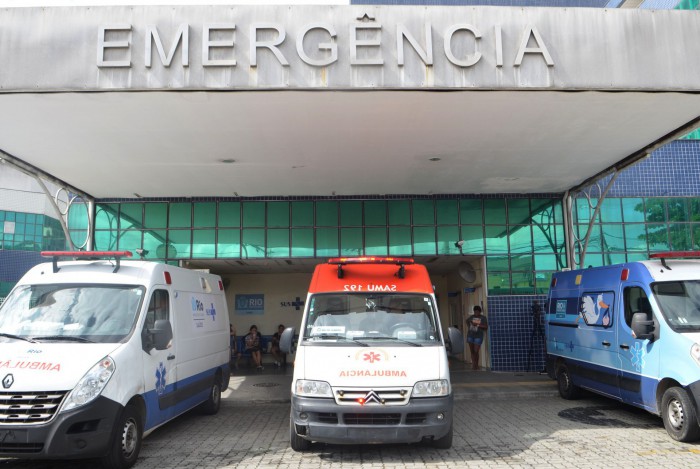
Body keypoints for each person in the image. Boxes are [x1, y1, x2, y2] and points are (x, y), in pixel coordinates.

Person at [467, 305, 488, 371]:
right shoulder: (471, 317)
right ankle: (474, 365)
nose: (476, 313)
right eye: (475, 312)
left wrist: (477, 325)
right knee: (472, 351)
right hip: (470, 335)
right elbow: (467, 321)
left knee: (476, 351)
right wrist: (470, 325)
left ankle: (476, 364)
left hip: (478, 336)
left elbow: (486, 327)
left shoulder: (483, 318)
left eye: (477, 312)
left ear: (480, 312)